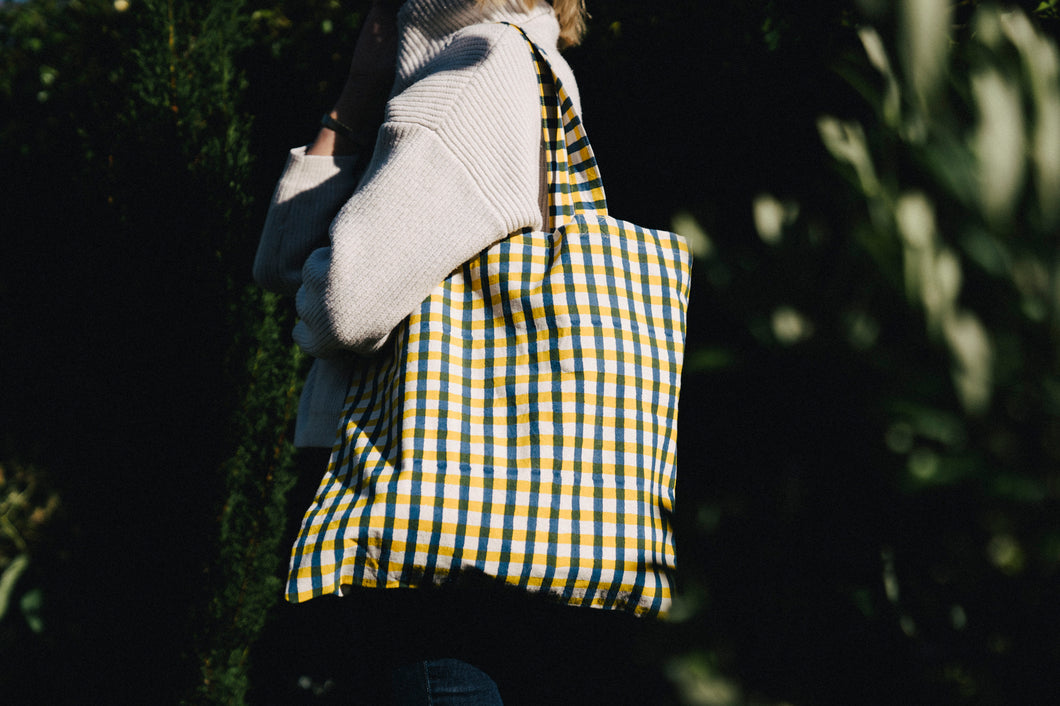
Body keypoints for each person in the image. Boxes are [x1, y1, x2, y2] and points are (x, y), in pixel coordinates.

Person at [254, 1, 673, 702]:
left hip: (418, 532)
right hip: (492, 528)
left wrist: (325, 313)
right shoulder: (508, 67)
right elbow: (281, 261)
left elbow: (340, 309)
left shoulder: (474, 73)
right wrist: (360, 93)